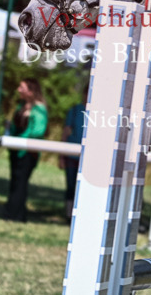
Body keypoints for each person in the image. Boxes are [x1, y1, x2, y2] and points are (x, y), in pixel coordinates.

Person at [3, 78, 48, 222]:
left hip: (28, 151)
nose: (18, 90)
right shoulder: (21, 106)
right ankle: (12, 211)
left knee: (21, 182)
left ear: (30, 90)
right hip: (16, 149)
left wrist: (21, 139)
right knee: (15, 181)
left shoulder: (39, 108)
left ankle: (16, 214)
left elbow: (38, 131)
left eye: (21, 87)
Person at [59, 81, 88, 222]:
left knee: (84, 188)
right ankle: (69, 214)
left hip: (88, 158)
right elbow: (66, 131)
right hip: (71, 154)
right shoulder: (75, 110)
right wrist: (61, 155)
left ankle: (81, 214)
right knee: (71, 186)